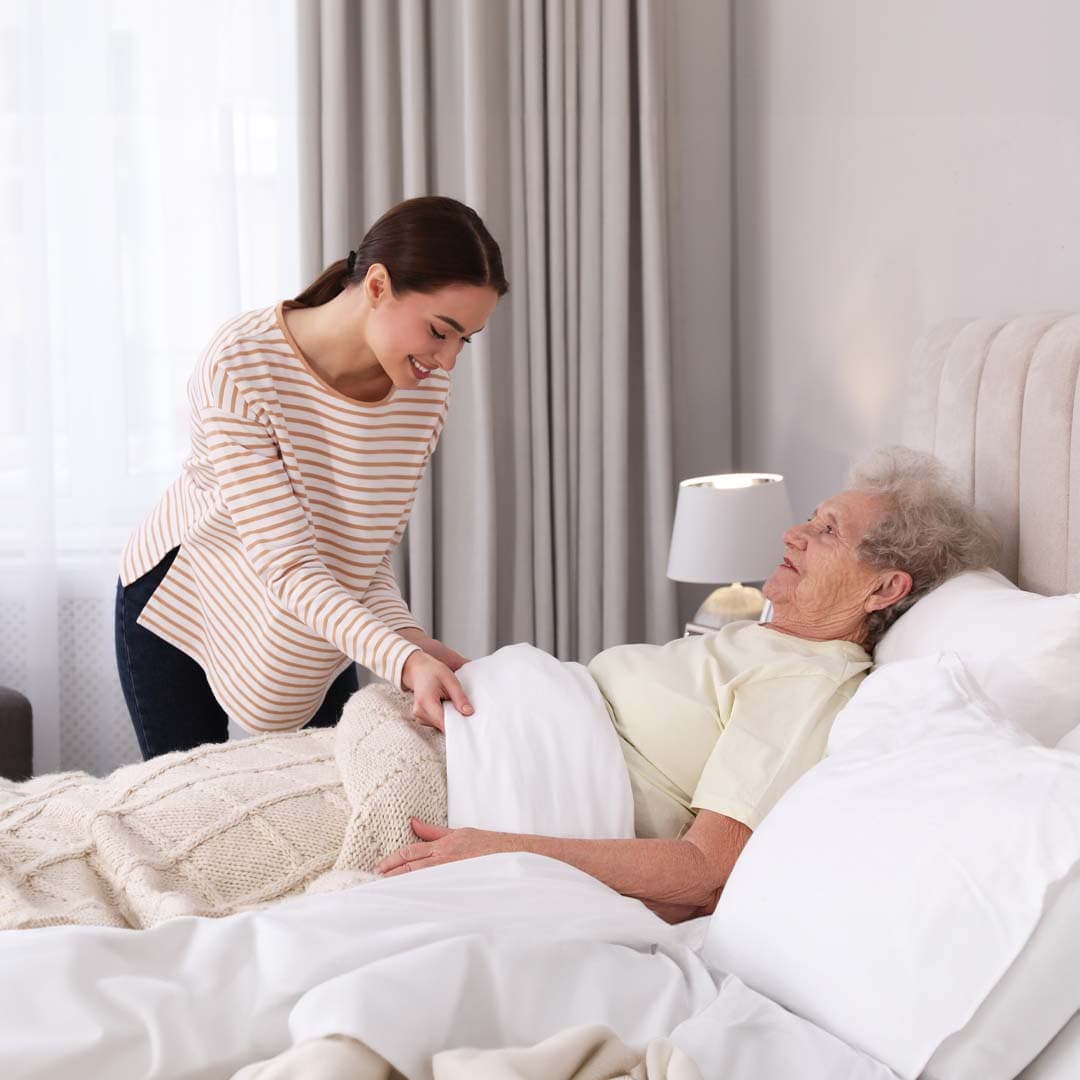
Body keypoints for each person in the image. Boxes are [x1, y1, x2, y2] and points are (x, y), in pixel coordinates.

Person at [375, 447, 998, 922]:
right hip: (476, 733)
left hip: (485, 792)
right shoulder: (768, 640)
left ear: (884, 588)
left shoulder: (807, 679)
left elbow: (705, 869)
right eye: (810, 518)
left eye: (828, 531)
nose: (793, 534)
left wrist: (498, 850)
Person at [115, 196, 508, 760]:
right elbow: (288, 564)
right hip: (183, 600)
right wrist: (402, 659)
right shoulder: (240, 365)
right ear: (377, 287)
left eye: (463, 340)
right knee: (187, 813)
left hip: (307, 617)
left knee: (322, 795)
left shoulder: (423, 395)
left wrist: (412, 640)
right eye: (440, 331)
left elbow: (362, 557)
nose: (447, 362)